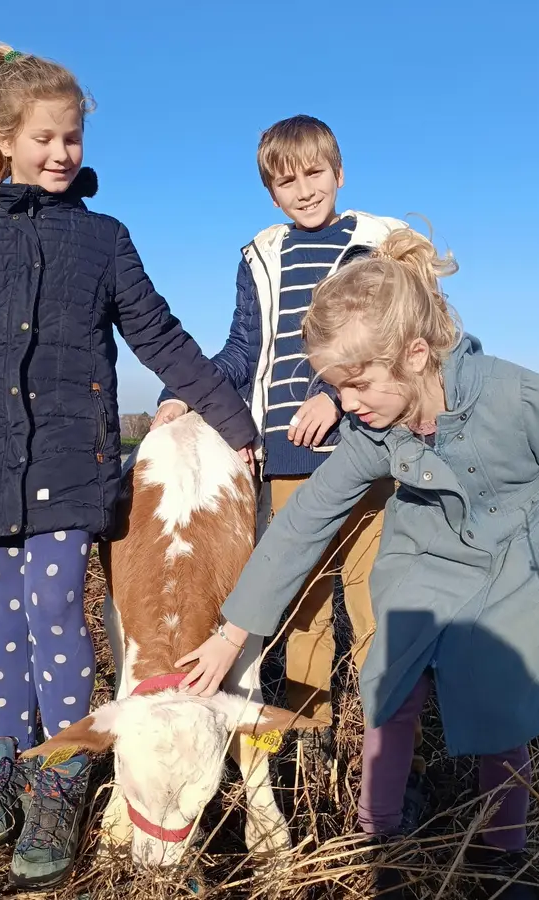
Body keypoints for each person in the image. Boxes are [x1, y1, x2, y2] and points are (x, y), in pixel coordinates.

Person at [173, 227, 539, 890]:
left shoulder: (516, 397)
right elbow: (302, 523)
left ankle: (505, 852)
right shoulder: (374, 431)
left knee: (501, 703)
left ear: (416, 355)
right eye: (338, 389)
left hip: (513, 562)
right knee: (389, 690)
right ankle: (377, 838)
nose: (348, 405)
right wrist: (231, 633)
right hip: (422, 558)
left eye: (356, 385)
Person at [0, 42, 256, 890]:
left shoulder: (103, 239)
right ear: (5, 136)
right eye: (47, 139)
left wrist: (233, 421)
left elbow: (160, 335)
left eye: (74, 140)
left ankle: (61, 775)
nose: (62, 155)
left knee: (55, 610)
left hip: (69, 459)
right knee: (3, 623)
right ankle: (8, 762)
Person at [149, 114, 429, 807]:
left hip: (369, 448)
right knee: (300, 608)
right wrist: (184, 393)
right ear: (270, 191)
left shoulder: (377, 245)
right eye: (285, 180)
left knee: (372, 603)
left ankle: (378, 750)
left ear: (338, 172)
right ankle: (306, 748)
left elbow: (401, 334)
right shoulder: (261, 257)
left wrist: (337, 394)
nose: (303, 190)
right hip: (289, 459)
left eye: (314, 174)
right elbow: (244, 348)